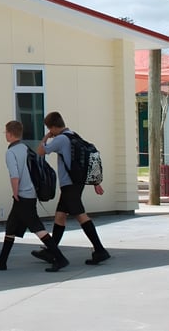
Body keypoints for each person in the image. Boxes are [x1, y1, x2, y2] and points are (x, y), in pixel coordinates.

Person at [0, 120, 69, 272]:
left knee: (37, 228)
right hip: (31, 193)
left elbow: (14, 175)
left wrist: (15, 192)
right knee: (11, 226)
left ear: (9, 134)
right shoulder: (25, 148)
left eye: (5, 133)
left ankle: (60, 258)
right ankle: (2, 261)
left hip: (22, 195)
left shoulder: (10, 152)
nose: (5, 135)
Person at [31, 111, 110, 266]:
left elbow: (40, 151)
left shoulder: (60, 139)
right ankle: (51, 250)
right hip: (77, 182)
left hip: (69, 185)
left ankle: (100, 250)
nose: (50, 131)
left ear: (53, 127)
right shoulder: (73, 135)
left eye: (49, 128)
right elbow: (86, 160)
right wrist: (95, 182)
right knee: (60, 216)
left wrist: (46, 137)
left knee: (81, 216)